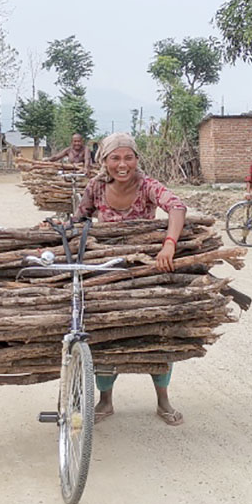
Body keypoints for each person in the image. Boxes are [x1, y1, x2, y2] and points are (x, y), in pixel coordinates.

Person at [74, 132, 188, 426]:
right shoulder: (96, 186)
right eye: (115, 158)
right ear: (105, 161)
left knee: (157, 333)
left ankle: (163, 400)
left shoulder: (147, 185)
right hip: (107, 272)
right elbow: (79, 220)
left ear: (137, 160)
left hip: (145, 271)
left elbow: (176, 206)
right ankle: (106, 401)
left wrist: (169, 244)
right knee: (103, 334)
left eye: (128, 157)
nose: (122, 164)